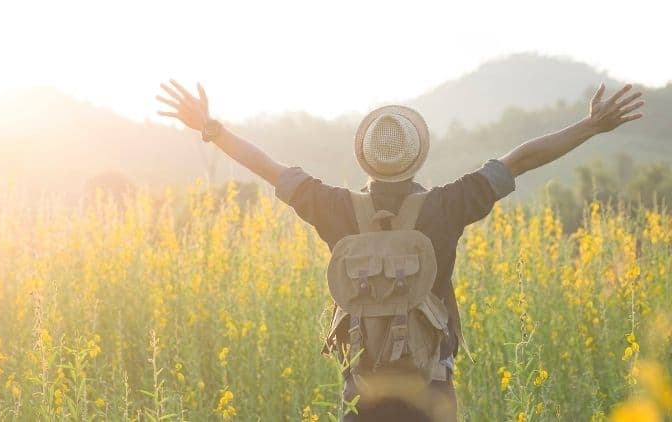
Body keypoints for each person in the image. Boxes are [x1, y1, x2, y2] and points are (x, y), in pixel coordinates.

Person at [156, 79, 644, 421]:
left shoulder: (333, 208)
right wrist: (589, 127)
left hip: (360, 393)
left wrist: (211, 128)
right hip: (431, 391)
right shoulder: (449, 205)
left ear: (364, 157)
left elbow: (266, 166)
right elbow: (522, 159)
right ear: (419, 155)